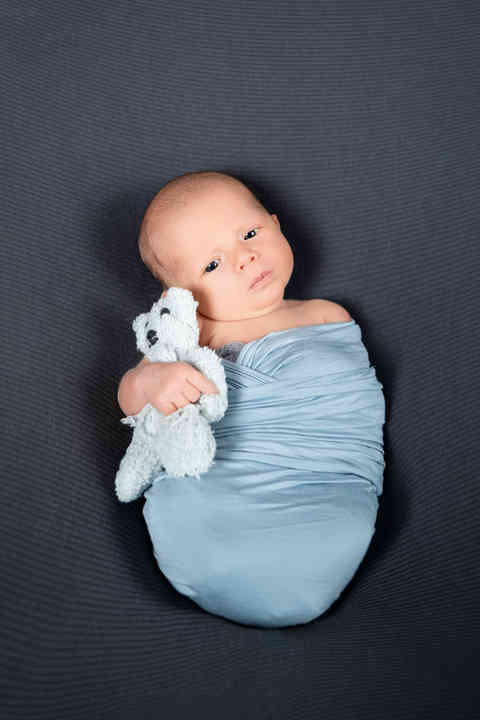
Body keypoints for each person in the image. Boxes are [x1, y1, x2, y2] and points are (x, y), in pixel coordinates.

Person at [117, 170, 351, 418]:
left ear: (276, 224)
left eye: (250, 234)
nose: (245, 257)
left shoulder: (326, 315)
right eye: (212, 265)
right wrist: (148, 381)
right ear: (181, 296)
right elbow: (131, 399)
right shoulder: (195, 331)